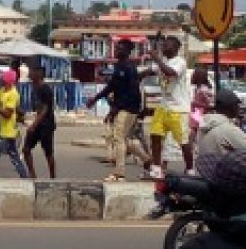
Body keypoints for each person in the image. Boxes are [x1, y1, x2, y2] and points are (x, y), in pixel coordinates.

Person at [87, 39, 147, 181]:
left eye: (120, 48)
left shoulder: (129, 68)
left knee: (118, 138)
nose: (117, 50)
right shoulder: (118, 66)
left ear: (127, 51)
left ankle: (119, 173)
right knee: (122, 139)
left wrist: (118, 107)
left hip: (129, 108)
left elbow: (133, 92)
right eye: (116, 47)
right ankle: (146, 159)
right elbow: (111, 87)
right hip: (123, 107)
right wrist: (95, 98)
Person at [144, 36, 194, 179]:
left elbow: (170, 72)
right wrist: (137, 75)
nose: (164, 47)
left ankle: (190, 169)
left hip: (178, 109)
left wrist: (157, 59)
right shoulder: (164, 62)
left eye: (167, 45)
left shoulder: (180, 62)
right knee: (155, 136)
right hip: (163, 107)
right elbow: (148, 71)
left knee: (183, 141)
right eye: (163, 45)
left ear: (176, 48)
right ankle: (156, 168)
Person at [0, 69, 28, 179]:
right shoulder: (3, 90)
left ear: (8, 82)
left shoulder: (13, 94)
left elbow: (7, 114)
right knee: (14, 158)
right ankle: (25, 178)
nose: (1, 81)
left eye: (3, 79)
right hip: (4, 131)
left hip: (8, 132)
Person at [198, 89, 246, 158]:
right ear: (231, 107)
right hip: (223, 164)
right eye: (237, 105)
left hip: (208, 163)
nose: (239, 108)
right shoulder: (228, 129)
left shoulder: (205, 124)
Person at [23, 66, 56, 179]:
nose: (30, 73)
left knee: (48, 153)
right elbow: (36, 109)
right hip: (37, 123)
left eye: (33, 71)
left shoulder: (45, 89)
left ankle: (52, 177)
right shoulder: (34, 89)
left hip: (46, 125)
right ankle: (32, 175)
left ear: (39, 74)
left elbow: (44, 110)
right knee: (26, 149)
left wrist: (34, 125)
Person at [190, 68, 214, 153]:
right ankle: (194, 147)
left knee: (195, 130)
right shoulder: (200, 87)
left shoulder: (202, 89)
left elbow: (208, 103)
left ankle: (192, 147)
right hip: (198, 111)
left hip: (199, 111)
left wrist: (194, 103)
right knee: (196, 130)